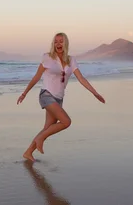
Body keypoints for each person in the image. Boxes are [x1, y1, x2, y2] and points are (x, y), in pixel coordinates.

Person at [17, 32, 106, 162]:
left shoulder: (71, 60)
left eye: (61, 41)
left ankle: (28, 152)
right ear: (53, 44)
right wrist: (24, 93)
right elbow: (36, 77)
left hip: (59, 98)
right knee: (66, 122)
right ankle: (39, 139)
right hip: (46, 95)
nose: (58, 44)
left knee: (47, 129)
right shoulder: (47, 57)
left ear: (66, 43)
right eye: (56, 41)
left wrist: (95, 93)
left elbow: (81, 78)